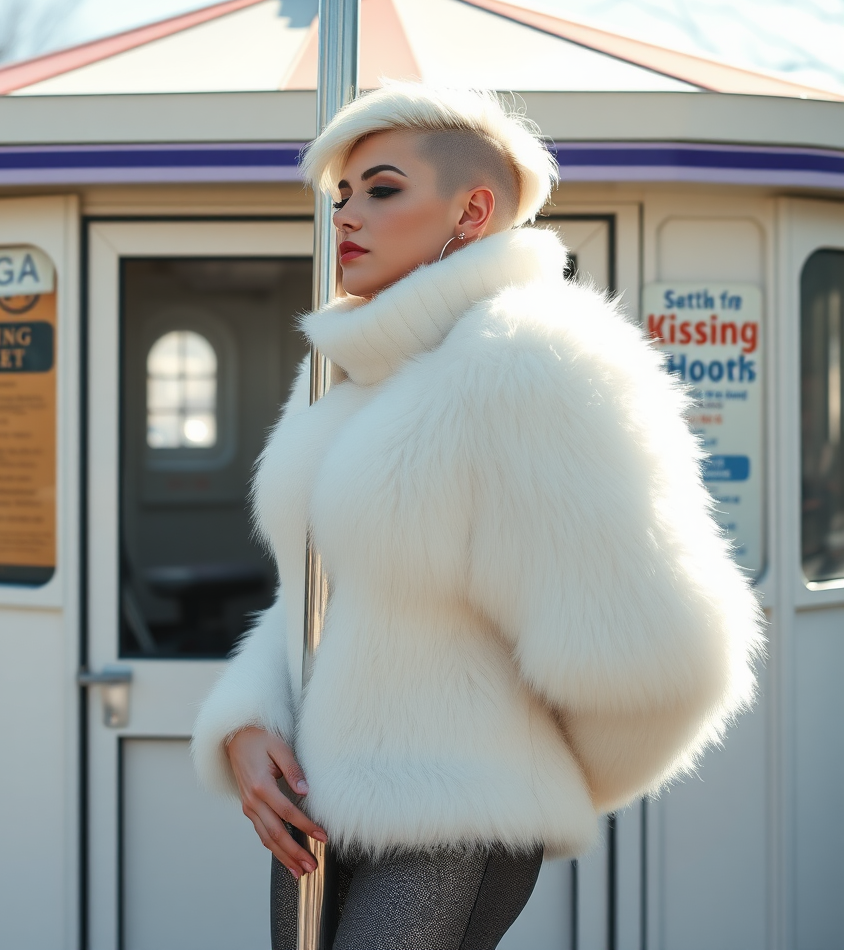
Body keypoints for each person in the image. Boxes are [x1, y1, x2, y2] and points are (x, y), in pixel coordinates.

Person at [191, 83, 764, 950]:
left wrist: (517, 767)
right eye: (340, 195)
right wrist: (248, 719)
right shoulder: (356, 378)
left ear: (473, 210)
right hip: (316, 801)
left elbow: (654, 644)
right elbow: (321, 593)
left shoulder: (528, 359)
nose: (346, 215)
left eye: (381, 189)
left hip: (454, 815)